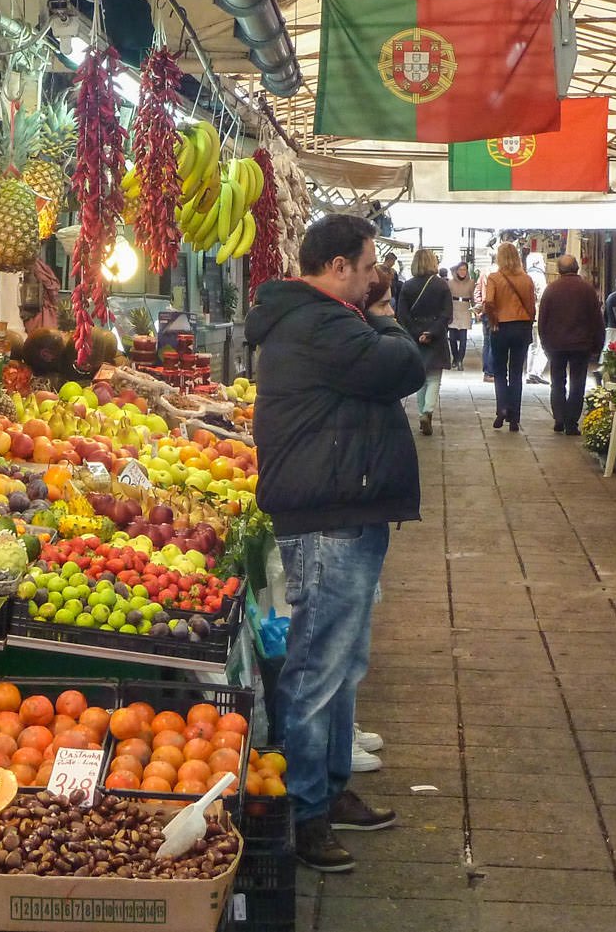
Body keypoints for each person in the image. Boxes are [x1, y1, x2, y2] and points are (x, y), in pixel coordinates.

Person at [246, 214, 421, 873]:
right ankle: (303, 809)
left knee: (343, 664)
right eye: (369, 264)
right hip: (328, 521)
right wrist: (388, 312)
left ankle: (331, 785)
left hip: (340, 512)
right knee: (319, 669)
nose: (376, 275)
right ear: (341, 266)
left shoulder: (320, 320)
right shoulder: (323, 323)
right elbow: (401, 364)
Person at [537, 254, 604, 434]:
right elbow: (597, 319)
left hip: (556, 345)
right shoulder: (587, 290)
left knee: (557, 381)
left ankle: (559, 417)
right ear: (577, 268)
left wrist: (544, 342)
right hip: (581, 345)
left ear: (559, 270)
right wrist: (598, 344)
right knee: (577, 382)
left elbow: (542, 319)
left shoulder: (551, 289)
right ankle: (571, 422)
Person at [398, 249, 454, 435]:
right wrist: (431, 332)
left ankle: (422, 411)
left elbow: (402, 315)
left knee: (421, 378)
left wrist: (416, 333)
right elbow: (447, 314)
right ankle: (428, 411)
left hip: (414, 335)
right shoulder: (442, 286)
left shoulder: (407, 286)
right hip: (435, 336)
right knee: (434, 377)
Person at [482, 242, 537, 432]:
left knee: (499, 370)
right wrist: (528, 321)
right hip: (521, 326)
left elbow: (488, 301)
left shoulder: (494, 278)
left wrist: (493, 319)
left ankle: (502, 408)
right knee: (516, 372)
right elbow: (531, 306)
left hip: (501, 327)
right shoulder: (527, 279)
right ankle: (515, 417)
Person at [446, 261, 478, 371]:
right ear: (456, 271)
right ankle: (455, 357)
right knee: (452, 338)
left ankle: (460, 360)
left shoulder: (471, 282)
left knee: (463, 338)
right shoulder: (450, 283)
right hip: (453, 309)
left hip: (465, 309)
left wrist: (476, 311)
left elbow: (473, 298)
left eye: (464, 270)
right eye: (460, 270)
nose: (462, 272)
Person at [525, 249, 550, 385]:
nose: (545, 265)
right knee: (542, 345)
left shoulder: (526, 276)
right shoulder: (539, 277)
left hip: (528, 316)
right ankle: (536, 372)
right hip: (539, 315)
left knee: (533, 345)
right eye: (542, 262)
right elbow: (542, 298)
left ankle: (530, 372)